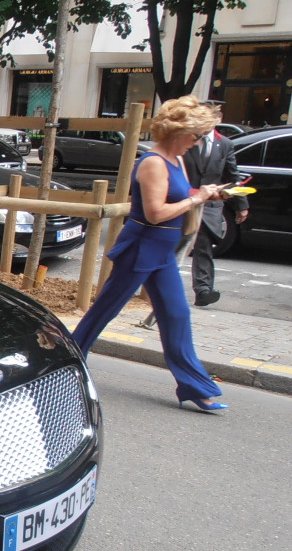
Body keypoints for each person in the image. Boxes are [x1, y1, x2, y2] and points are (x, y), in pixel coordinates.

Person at [72, 96, 229, 411]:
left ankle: (194, 386)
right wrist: (197, 201)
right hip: (142, 247)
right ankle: (67, 361)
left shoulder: (177, 159)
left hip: (161, 251)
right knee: (105, 310)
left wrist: (206, 194)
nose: (197, 143)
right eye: (194, 136)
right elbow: (157, 213)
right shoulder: (153, 162)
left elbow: (178, 197)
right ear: (176, 132)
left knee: (176, 314)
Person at [183, 101, 249, 306]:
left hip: (209, 206)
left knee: (203, 246)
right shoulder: (187, 140)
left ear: (218, 120)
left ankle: (203, 290)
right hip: (184, 200)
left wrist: (241, 204)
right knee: (177, 245)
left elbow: (232, 175)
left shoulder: (225, 144)